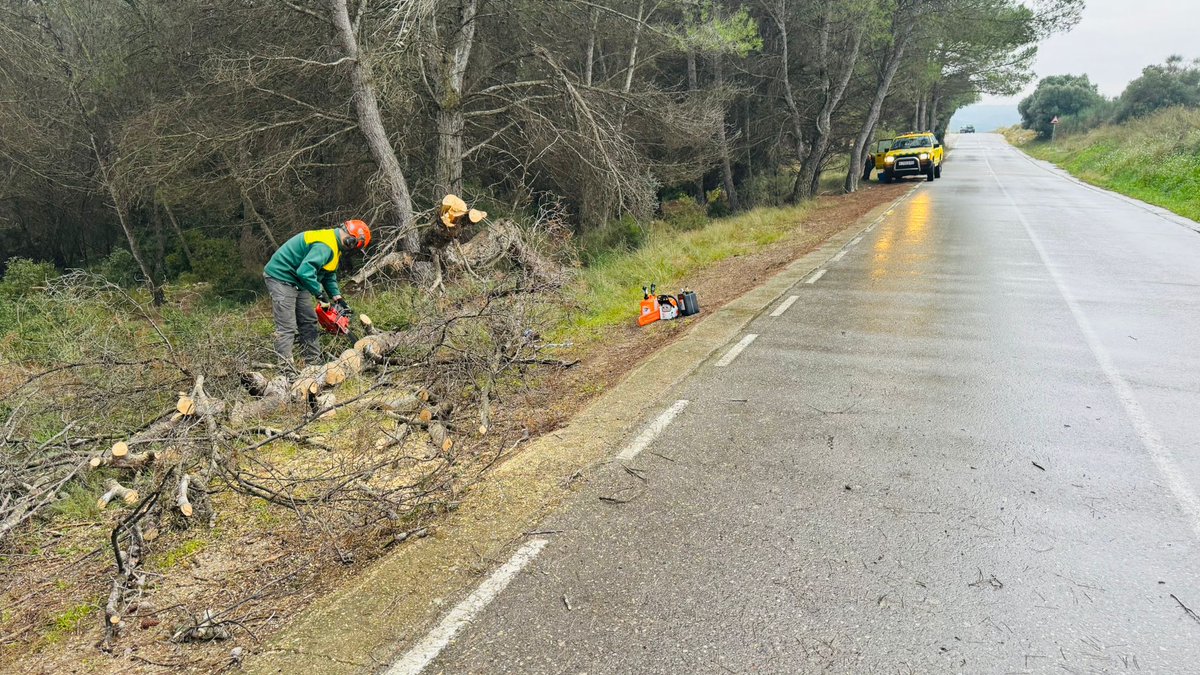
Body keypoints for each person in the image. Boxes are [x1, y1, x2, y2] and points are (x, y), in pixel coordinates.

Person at [263, 219, 370, 367]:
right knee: (287, 327)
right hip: (281, 277)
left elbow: (329, 275)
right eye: (355, 247)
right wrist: (319, 294)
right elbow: (305, 272)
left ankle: (313, 365)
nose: (352, 251)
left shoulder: (335, 246)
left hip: (299, 280)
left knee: (308, 321)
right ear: (352, 240)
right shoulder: (325, 246)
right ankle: (286, 371)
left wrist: (338, 299)